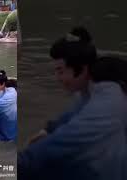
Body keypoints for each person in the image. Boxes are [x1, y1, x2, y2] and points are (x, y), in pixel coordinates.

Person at [18, 27, 127, 180]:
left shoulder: (108, 100)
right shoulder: (91, 86)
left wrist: (20, 162)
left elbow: (65, 139)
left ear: (82, 69)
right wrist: (49, 130)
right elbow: (75, 112)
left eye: (61, 71)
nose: (57, 78)